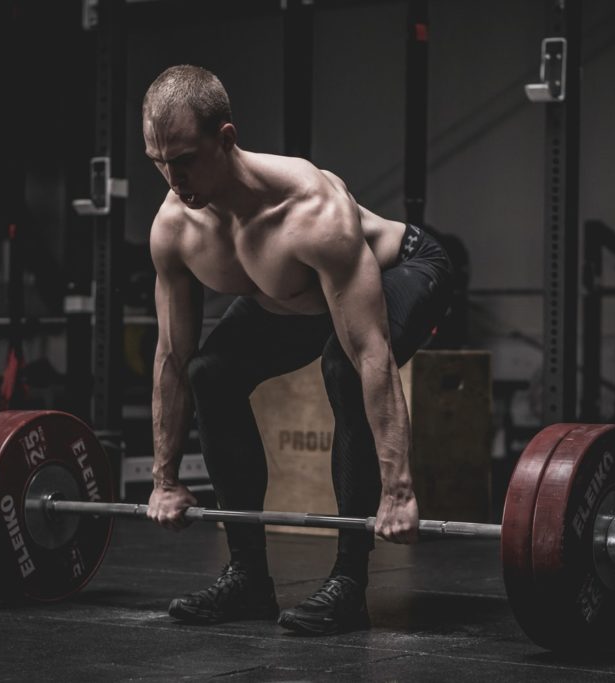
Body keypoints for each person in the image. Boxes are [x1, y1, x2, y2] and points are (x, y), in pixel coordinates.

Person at [143, 64, 453, 635]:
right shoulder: (175, 228)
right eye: (158, 161)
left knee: (341, 365)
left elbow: (370, 355)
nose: (172, 176)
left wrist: (398, 491)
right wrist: (164, 478)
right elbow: (171, 358)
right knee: (212, 372)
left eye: (183, 158)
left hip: (407, 267)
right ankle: (247, 579)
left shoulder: (311, 211)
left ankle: (349, 583)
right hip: (295, 301)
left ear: (226, 139)